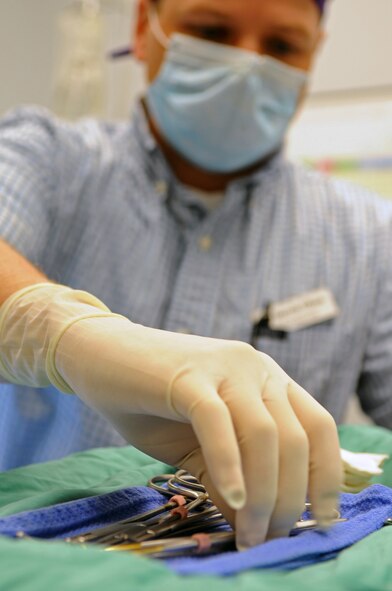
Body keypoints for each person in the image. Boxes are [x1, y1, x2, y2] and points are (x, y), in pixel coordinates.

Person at [0, 0, 391, 550]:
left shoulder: (370, 237)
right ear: (142, 27)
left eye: (282, 47)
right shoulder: (48, 160)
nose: (246, 64)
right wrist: (68, 335)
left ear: (313, 54)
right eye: (212, 31)